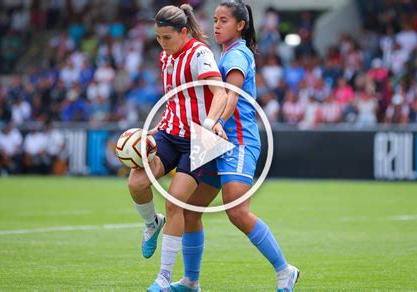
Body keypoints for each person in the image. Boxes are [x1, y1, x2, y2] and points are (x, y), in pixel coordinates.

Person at [171, 1, 299, 291]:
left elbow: (230, 95)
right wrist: (189, 17)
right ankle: (191, 281)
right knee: (190, 210)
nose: (216, 25)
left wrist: (214, 121)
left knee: (237, 211)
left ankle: (285, 271)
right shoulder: (226, 52)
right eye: (215, 19)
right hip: (215, 140)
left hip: (237, 142)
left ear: (240, 25)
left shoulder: (239, 53)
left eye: (224, 20)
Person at [124, 4, 228, 291]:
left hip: (202, 139)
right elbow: (175, 101)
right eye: (158, 38)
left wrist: (209, 122)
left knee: (175, 202)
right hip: (170, 133)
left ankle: (164, 278)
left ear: (183, 32)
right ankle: (150, 224)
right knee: (136, 181)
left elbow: (220, 93)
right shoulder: (165, 57)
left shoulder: (200, 54)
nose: (162, 43)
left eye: (167, 38)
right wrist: (153, 131)